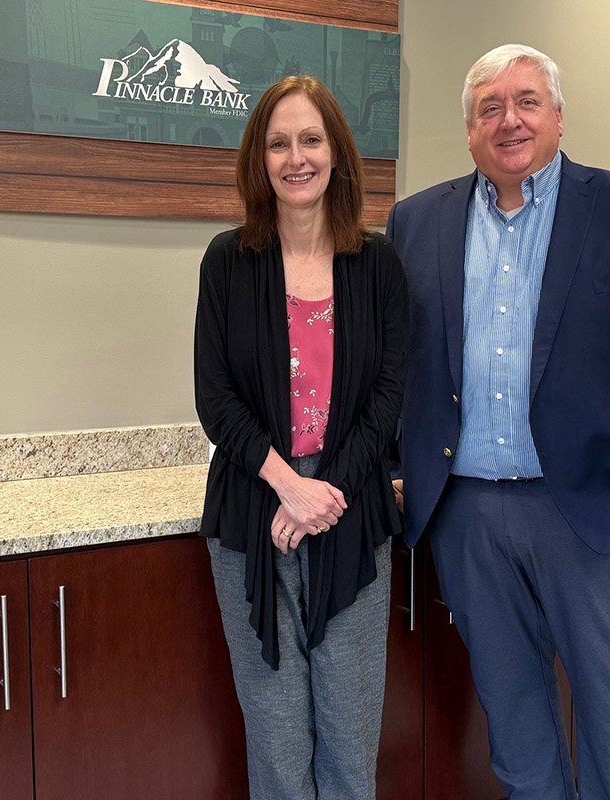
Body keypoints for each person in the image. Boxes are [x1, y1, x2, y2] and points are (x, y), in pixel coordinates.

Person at [385, 44, 610, 800]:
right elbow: (397, 363)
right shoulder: (416, 222)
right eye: (489, 108)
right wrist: (401, 469)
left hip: (600, 507)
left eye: (527, 101)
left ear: (558, 116)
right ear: (468, 131)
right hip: (465, 512)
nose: (509, 120)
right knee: (516, 715)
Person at [193, 75, 408, 800]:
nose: (296, 157)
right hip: (255, 513)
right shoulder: (228, 260)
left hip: (349, 510)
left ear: (337, 154)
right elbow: (214, 398)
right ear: (259, 160)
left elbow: (388, 395)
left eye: (310, 139)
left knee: (350, 737)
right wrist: (287, 483)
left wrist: (325, 490)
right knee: (279, 737)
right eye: (278, 143)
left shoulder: (375, 264)